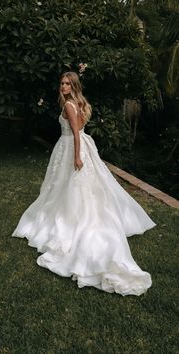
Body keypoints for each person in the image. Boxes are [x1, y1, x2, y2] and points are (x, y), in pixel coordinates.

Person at [12, 71, 156, 296]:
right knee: (76, 186)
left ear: (74, 86)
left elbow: (76, 134)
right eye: (61, 83)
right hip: (79, 145)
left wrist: (77, 156)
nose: (63, 86)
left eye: (67, 84)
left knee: (68, 185)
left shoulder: (70, 105)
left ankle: (72, 218)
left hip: (73, 146)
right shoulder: (79, 103)